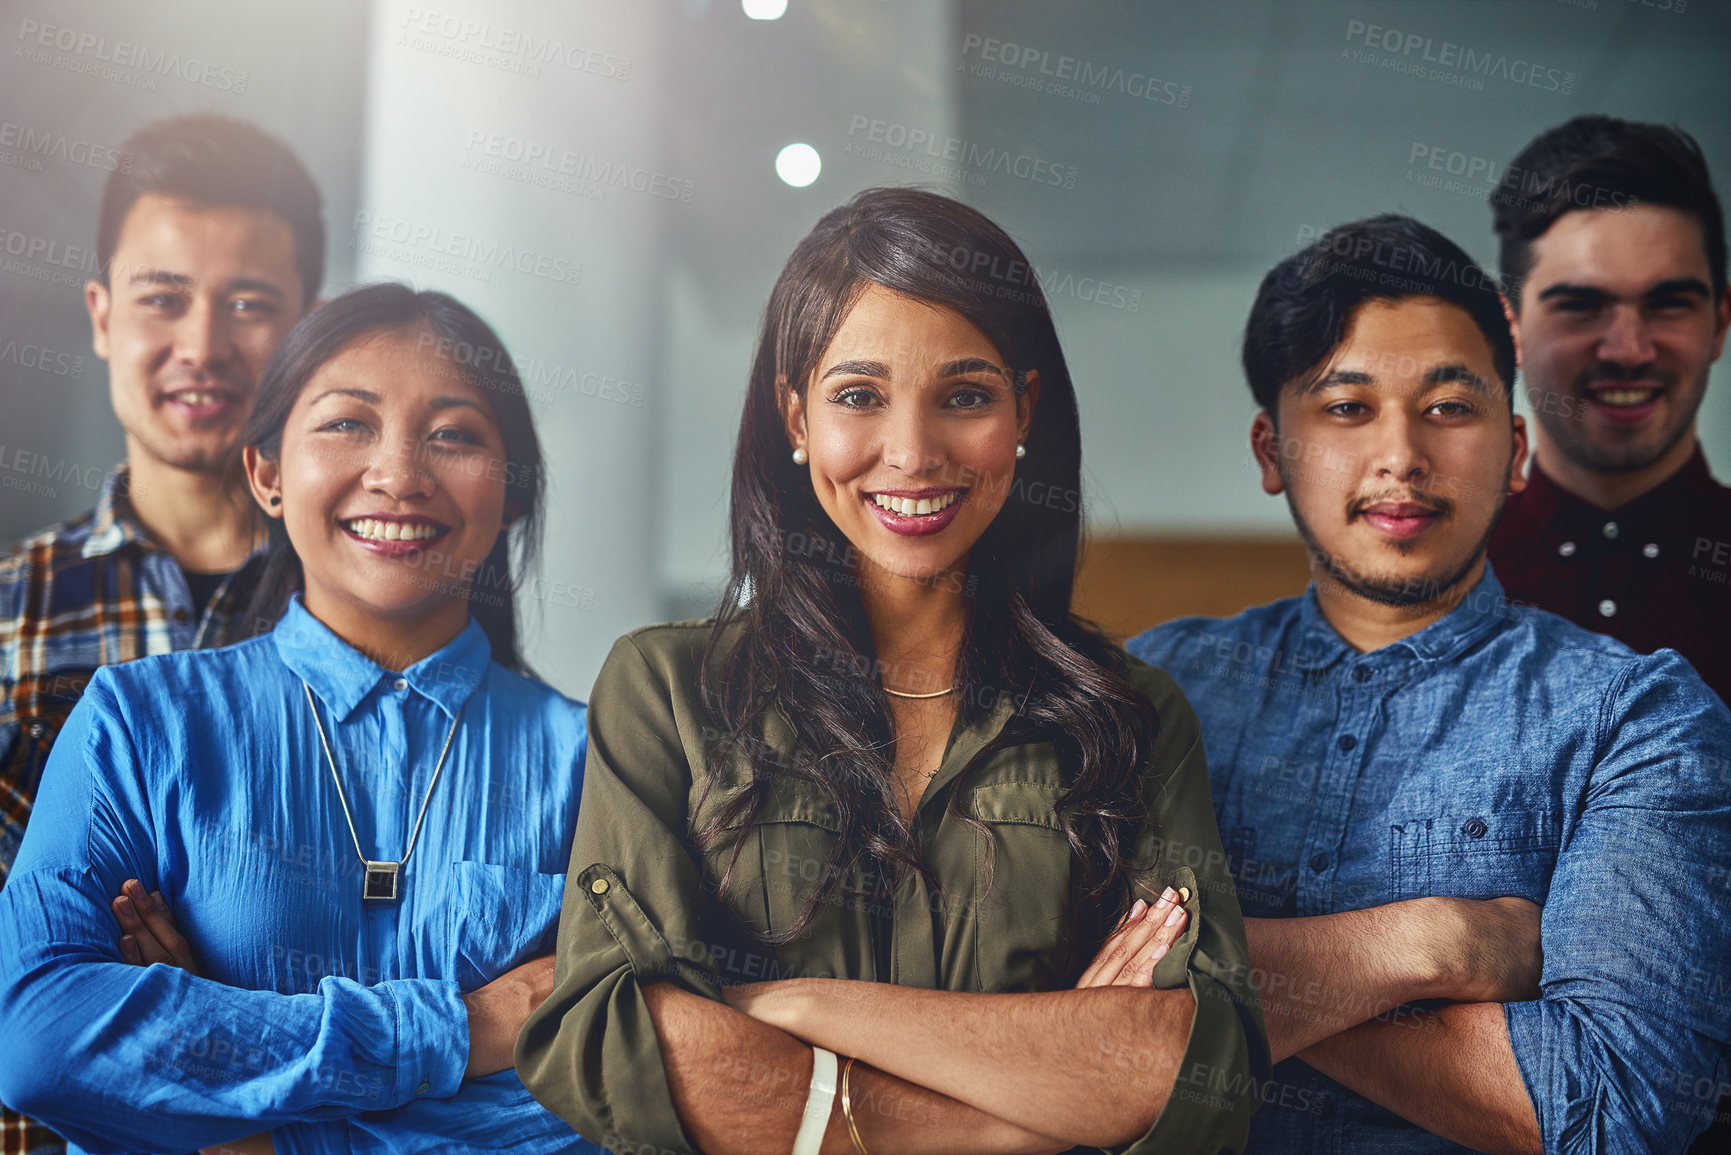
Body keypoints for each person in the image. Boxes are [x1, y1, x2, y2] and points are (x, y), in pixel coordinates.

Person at [518, 187, 1268, 1155]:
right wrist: (1017, 1122)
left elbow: (1189, 1070)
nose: (912, 453)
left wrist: (801, 1007)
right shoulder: (667, 692)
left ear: (1024, 410)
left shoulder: (1130, 717)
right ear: (796, 416)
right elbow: (617, 1044)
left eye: (964, 396)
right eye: (859, 396)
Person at [1128, 214, 1731, 1153]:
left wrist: (1188, 986)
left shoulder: (1636, 718)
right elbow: (1032, 987)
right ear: (1268, 451)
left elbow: (1613, 1103)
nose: (1400, 455)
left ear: (1519, 449)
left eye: (1449, 406)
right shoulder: (1148, 688)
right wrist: (1431, 946)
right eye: (1345, 407)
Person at [0, 284, 603, 1154]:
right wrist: (463, 1027)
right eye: (347, 423)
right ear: (268, 474)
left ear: (511, 493)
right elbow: (40, 1036)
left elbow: (625, 1104)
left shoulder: (599, 762)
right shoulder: (136, 725)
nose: (398, 472)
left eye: (454, 433)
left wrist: (246, 1126)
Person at [0, 110, 323, 1155]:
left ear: (309, 330)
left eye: (248, 304)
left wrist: (220, 999)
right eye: (162, 299)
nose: (202, 344)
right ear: (100, 314)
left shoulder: (379, 622)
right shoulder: (11, 613)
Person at [1486, 115, 1731, 706]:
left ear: (1720, 323)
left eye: (1669, 304)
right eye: (1581, 306)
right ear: (1508, 329)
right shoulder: (1435, 581)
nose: (1629, 350)